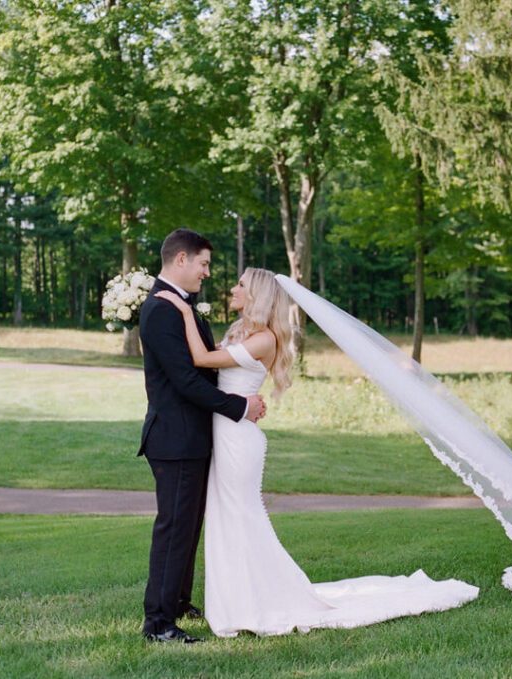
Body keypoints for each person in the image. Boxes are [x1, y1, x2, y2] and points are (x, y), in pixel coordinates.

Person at [155, 266, 478, 638]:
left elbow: (200, 360)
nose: (232, 288)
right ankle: (236, 598)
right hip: (225, 433)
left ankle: (255, 601)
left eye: (240, 285)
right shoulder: (239, 331)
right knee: (227, 518)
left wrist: (182, 311)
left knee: (242, 517)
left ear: (257, 295)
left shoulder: (265, 339)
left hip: (238, 441)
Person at [138, 228, 266, 644]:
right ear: (181, 260)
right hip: (174, 438)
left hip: (194, 436)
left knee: (189, 526)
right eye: (204, 263)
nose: (207, 272)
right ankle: (158, 622)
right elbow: (186, 381)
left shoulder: (181, 307)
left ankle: (176, 601)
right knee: (175, 527)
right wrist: (240, 407)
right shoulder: (161, 310)